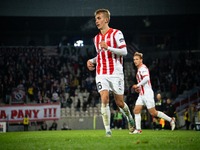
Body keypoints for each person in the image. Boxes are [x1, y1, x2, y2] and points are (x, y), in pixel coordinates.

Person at [87, 9, 134, 137]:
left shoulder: (116, 33)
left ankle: (130, 118)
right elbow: (101, 56)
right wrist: (91, 60)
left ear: (106, 19)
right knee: (104, 99)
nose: (96, 21)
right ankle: (108, 131)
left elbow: (124, 52)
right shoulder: (96, 38)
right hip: (101, 72)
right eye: (96, 19)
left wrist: (108, 47)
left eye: (99, 18)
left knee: (119, 103)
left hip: (116, 73)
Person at [130, 52, 175, 134]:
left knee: (153, 112)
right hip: (142, 94)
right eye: (134, 60)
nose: (135, 61)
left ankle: (171, 120)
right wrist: (139, 88)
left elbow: (146, 79)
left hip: (147, 93)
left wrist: (138, 85)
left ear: (141, 60)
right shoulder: (139, 69)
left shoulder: (143, 68)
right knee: (136, 110)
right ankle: (138, 129)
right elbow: (144, 82)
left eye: (137, 59)